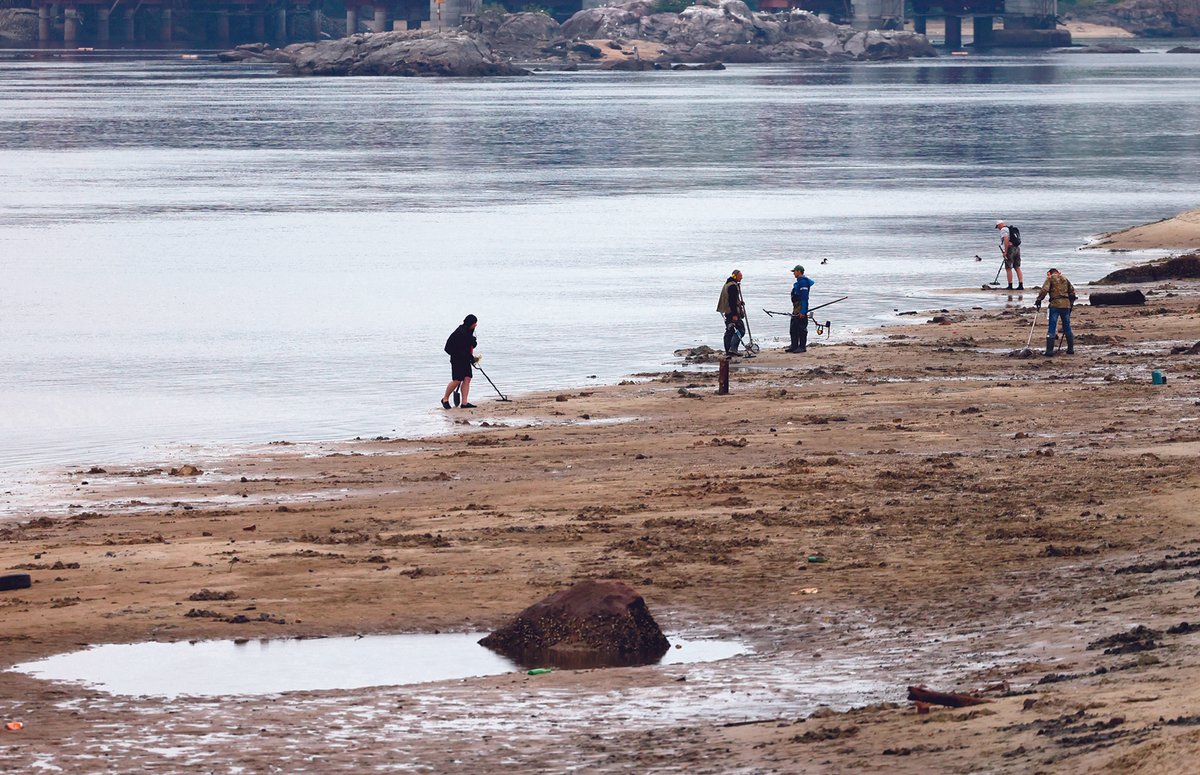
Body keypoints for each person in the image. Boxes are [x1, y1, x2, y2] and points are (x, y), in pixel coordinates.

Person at [1035, 268, 1077, 356]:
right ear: (1058, 272)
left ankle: (1049, 351)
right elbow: (1072, 292)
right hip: (1066, 305)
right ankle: (1070, 349)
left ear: (1049, 273)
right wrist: (1071, 303)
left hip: (1055, 305)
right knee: (1067, 326)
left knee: (1052, 326)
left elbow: (1044, 290)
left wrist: (1039, 299)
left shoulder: (1050, 278)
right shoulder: (1065, 278)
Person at [441, 314, 479, 409]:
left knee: (467, 378)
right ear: (470, 323)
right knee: (457, 380)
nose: (475, 325)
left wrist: (470, 355)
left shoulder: (469, 331)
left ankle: (464, 403)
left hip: (465, 358)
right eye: (474, 323)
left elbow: (470, 345)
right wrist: (471, 343)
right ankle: (445, 399)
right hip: (457, 359)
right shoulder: (460, 332)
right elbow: (452, 348)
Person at [716, 269, 746, 357]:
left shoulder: (728, 284)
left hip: (726, 311)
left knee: (730, 331)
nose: (742, 277)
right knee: (740, 330)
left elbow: (731, 299)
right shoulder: (733, 286)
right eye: (740, 276)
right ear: (736, 276)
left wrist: (739, 302)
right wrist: (735, 315)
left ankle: (728, 351)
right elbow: (732, 302)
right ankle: (733, 349)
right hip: (731, 312)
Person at [787, 265, 814, 353]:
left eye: (794, 271)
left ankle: (802, 347)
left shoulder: (803, 282)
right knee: (793, 327)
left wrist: (803, 311)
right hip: (795, 306)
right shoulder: (798, 282)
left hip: (800, 306)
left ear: (799, 271)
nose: (793, 273)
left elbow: (804, 298)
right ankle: (794, 346)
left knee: (801, 327)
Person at [996, 220, 1024, 290]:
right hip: (1017, 248)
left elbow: (1006, 239)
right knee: (1017, 267)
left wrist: (1005, 251)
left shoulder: (1003, 230)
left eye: (997, 227)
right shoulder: (1010, 229)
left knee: (1008, 268)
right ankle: (1021, 285)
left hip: (1010, 249)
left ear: (1000, 225)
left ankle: (1010, 285)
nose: (998, 228)